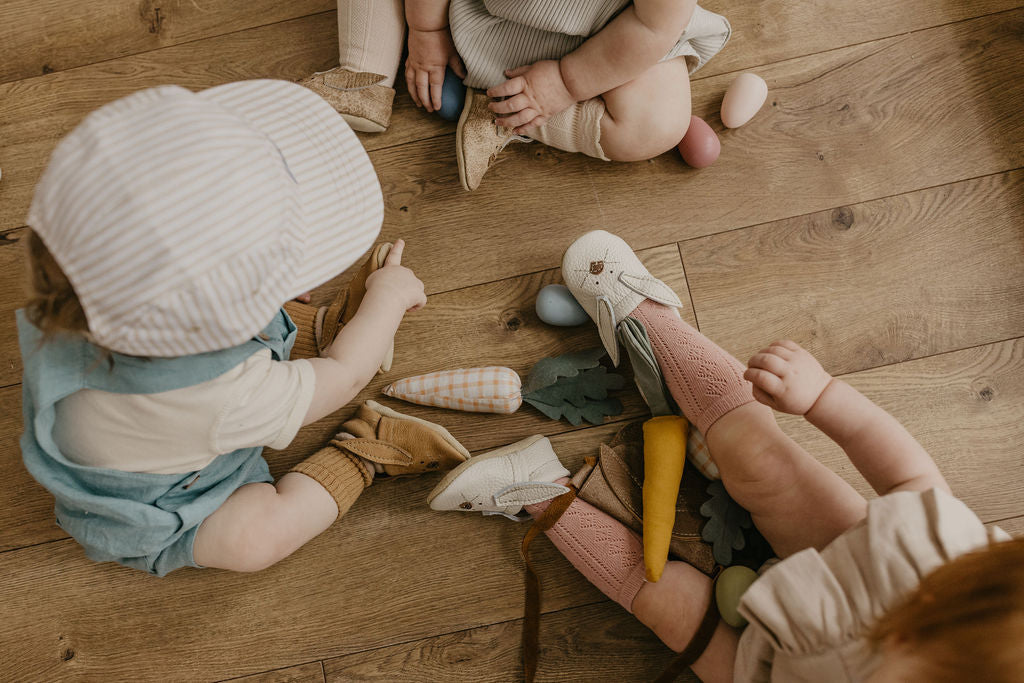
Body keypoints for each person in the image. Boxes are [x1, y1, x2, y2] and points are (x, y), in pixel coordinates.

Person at [430, 251, 1022, 681]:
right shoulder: (948, 555)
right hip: (852, 549)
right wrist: (822, 398)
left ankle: (543, 491)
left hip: (769, 668)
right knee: (761, 459)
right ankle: (650, 320)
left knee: (667, 604)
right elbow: (908, 476)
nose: (883, 649)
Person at [18, 80, 472, 577]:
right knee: (255, 540)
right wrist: (388, 299)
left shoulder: (66, 281)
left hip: (137, 426)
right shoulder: (219, 393)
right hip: (165, 493)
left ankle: (308, 326)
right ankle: (364, 450)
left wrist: (259, 288)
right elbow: (345, 376)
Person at [300, 0, 730, 190]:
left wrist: (565, 83)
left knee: (658, 123)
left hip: (605, 42)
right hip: (477, 12)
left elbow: (652, 27)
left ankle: (498, 107)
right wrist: (426, 29)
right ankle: (364, 75)